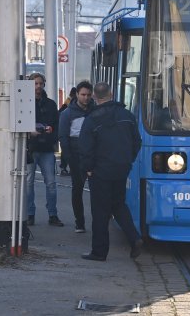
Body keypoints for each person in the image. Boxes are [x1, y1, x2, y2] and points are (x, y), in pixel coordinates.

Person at [79, 82, 143, 261]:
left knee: (100, 211)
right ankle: (135, 238)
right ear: (112, 94)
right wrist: (127, 160)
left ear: (94, 97)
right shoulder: (127, 115)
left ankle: (99, 251)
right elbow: (137, 142)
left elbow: (85, 148)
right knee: (119, 205)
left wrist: (88, 169)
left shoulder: (92, 119)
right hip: (121, 169)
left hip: (100, 172)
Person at [26, 72, 64, 227]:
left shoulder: (50, 104)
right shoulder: (25, 103)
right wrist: (30, 132)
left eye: (40, 83)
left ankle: (53, 214)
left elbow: (57, 125)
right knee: (28, 183)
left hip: (47, 148)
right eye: (35, 84)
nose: (38, 87)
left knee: (51, 183)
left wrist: (51, 133)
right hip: (31, 148)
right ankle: (30, 214)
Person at [58, 80, 95, 233]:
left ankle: (98, 221)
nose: (86, 98)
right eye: (83, 95)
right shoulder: (68, 113)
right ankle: (79, 222)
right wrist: (68, 158)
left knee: (97, 190)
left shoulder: (96, 111)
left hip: (94, 156)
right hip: (76, 156)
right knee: (77, 189)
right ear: (77, 95)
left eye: (88, 95)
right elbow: (63, 137)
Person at [57, 87, 77, 176]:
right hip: (67, 132)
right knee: (66, 151)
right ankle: (65, 168)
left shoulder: (67, 102)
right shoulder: (69, 104)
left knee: (65, 151)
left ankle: (64, 168)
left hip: (67, 132)